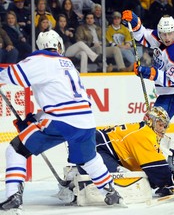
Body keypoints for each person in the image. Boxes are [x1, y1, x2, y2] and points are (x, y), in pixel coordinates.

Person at [0, 30, 123, 212]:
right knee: (89, 159)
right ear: (59, 45)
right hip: (86, 120)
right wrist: (35, 120)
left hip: (61, 121)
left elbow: (8, 75)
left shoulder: (39, 59)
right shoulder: (67, 63)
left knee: (16, 150)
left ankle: (13, 195)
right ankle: (110, 191)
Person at [75, 106, 174, 200]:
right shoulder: (145, 135)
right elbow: (157, 170)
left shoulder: (142, 129)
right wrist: (172, 184)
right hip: (92, 148)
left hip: (93, 146)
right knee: (126, 179)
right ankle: (81, 184)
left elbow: (145, 166)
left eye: (165, 126)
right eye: (160, 125)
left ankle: (78, 175)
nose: (163, 130)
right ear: (150, 121)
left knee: (132, 175)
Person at [121, 11, 174, 164]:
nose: (167, 38)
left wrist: (147, 71)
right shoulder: (159, 37)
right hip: (167, 93)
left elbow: (170, 80)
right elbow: (143, 36)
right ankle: (150, 159)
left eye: (170, 34)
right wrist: (135, 22)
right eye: (164, 34)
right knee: (152, 124)